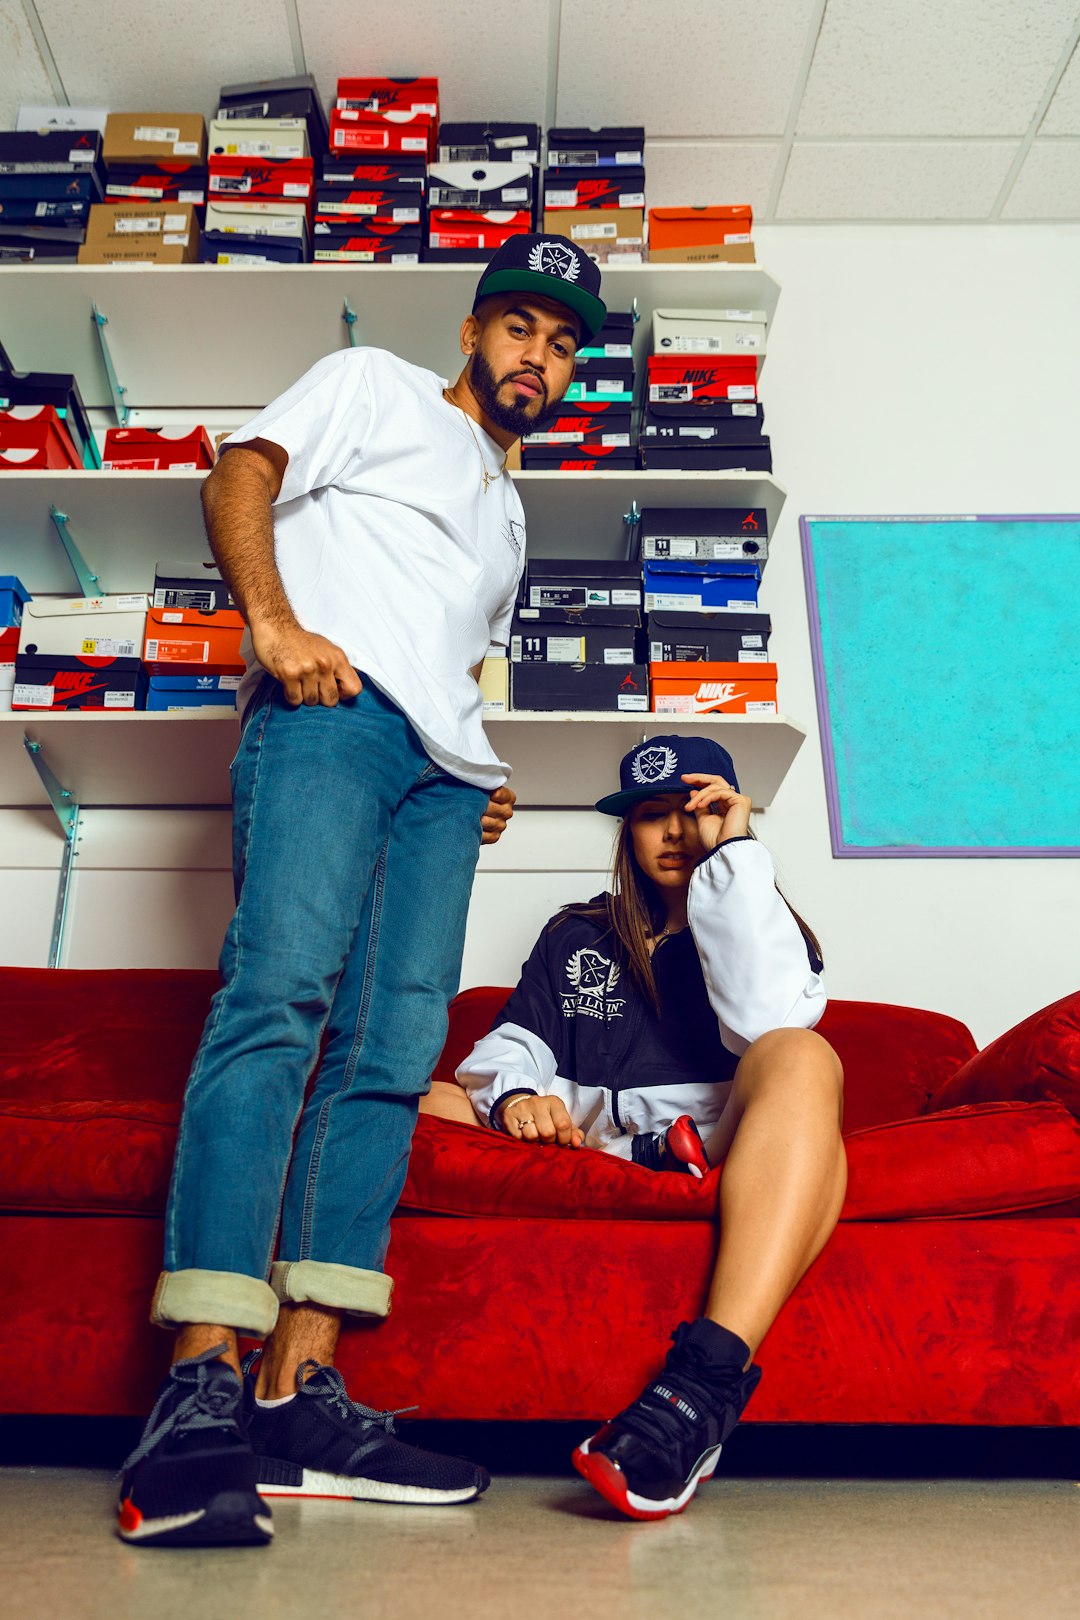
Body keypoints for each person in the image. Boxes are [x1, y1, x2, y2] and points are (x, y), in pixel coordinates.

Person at [117, 235, 608, 1548]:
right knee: (279, 997)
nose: (538, 360)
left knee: (391, 1051)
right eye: (521, 329)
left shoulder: (511, 512)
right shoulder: (375, 386)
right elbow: (243, 473)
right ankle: (201, 1383)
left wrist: (481, 767)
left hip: (443, 779)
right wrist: (270, 624)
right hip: (331, 719)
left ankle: (299, 1394)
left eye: (563, 347)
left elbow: (450, 646)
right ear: (473, 328)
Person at [421, 735, 847, 1522]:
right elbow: (511, 1045)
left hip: (720, 1140)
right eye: (654, 816)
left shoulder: (763, 922)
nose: (677, 833)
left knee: (803, 1056)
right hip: (585, 1145)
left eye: (697, 812)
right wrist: (518, 1100)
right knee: (419, 1098)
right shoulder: (578, 933)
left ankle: (706, 1381)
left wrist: (738, 859)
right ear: (627, 833)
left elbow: (768, 1025)